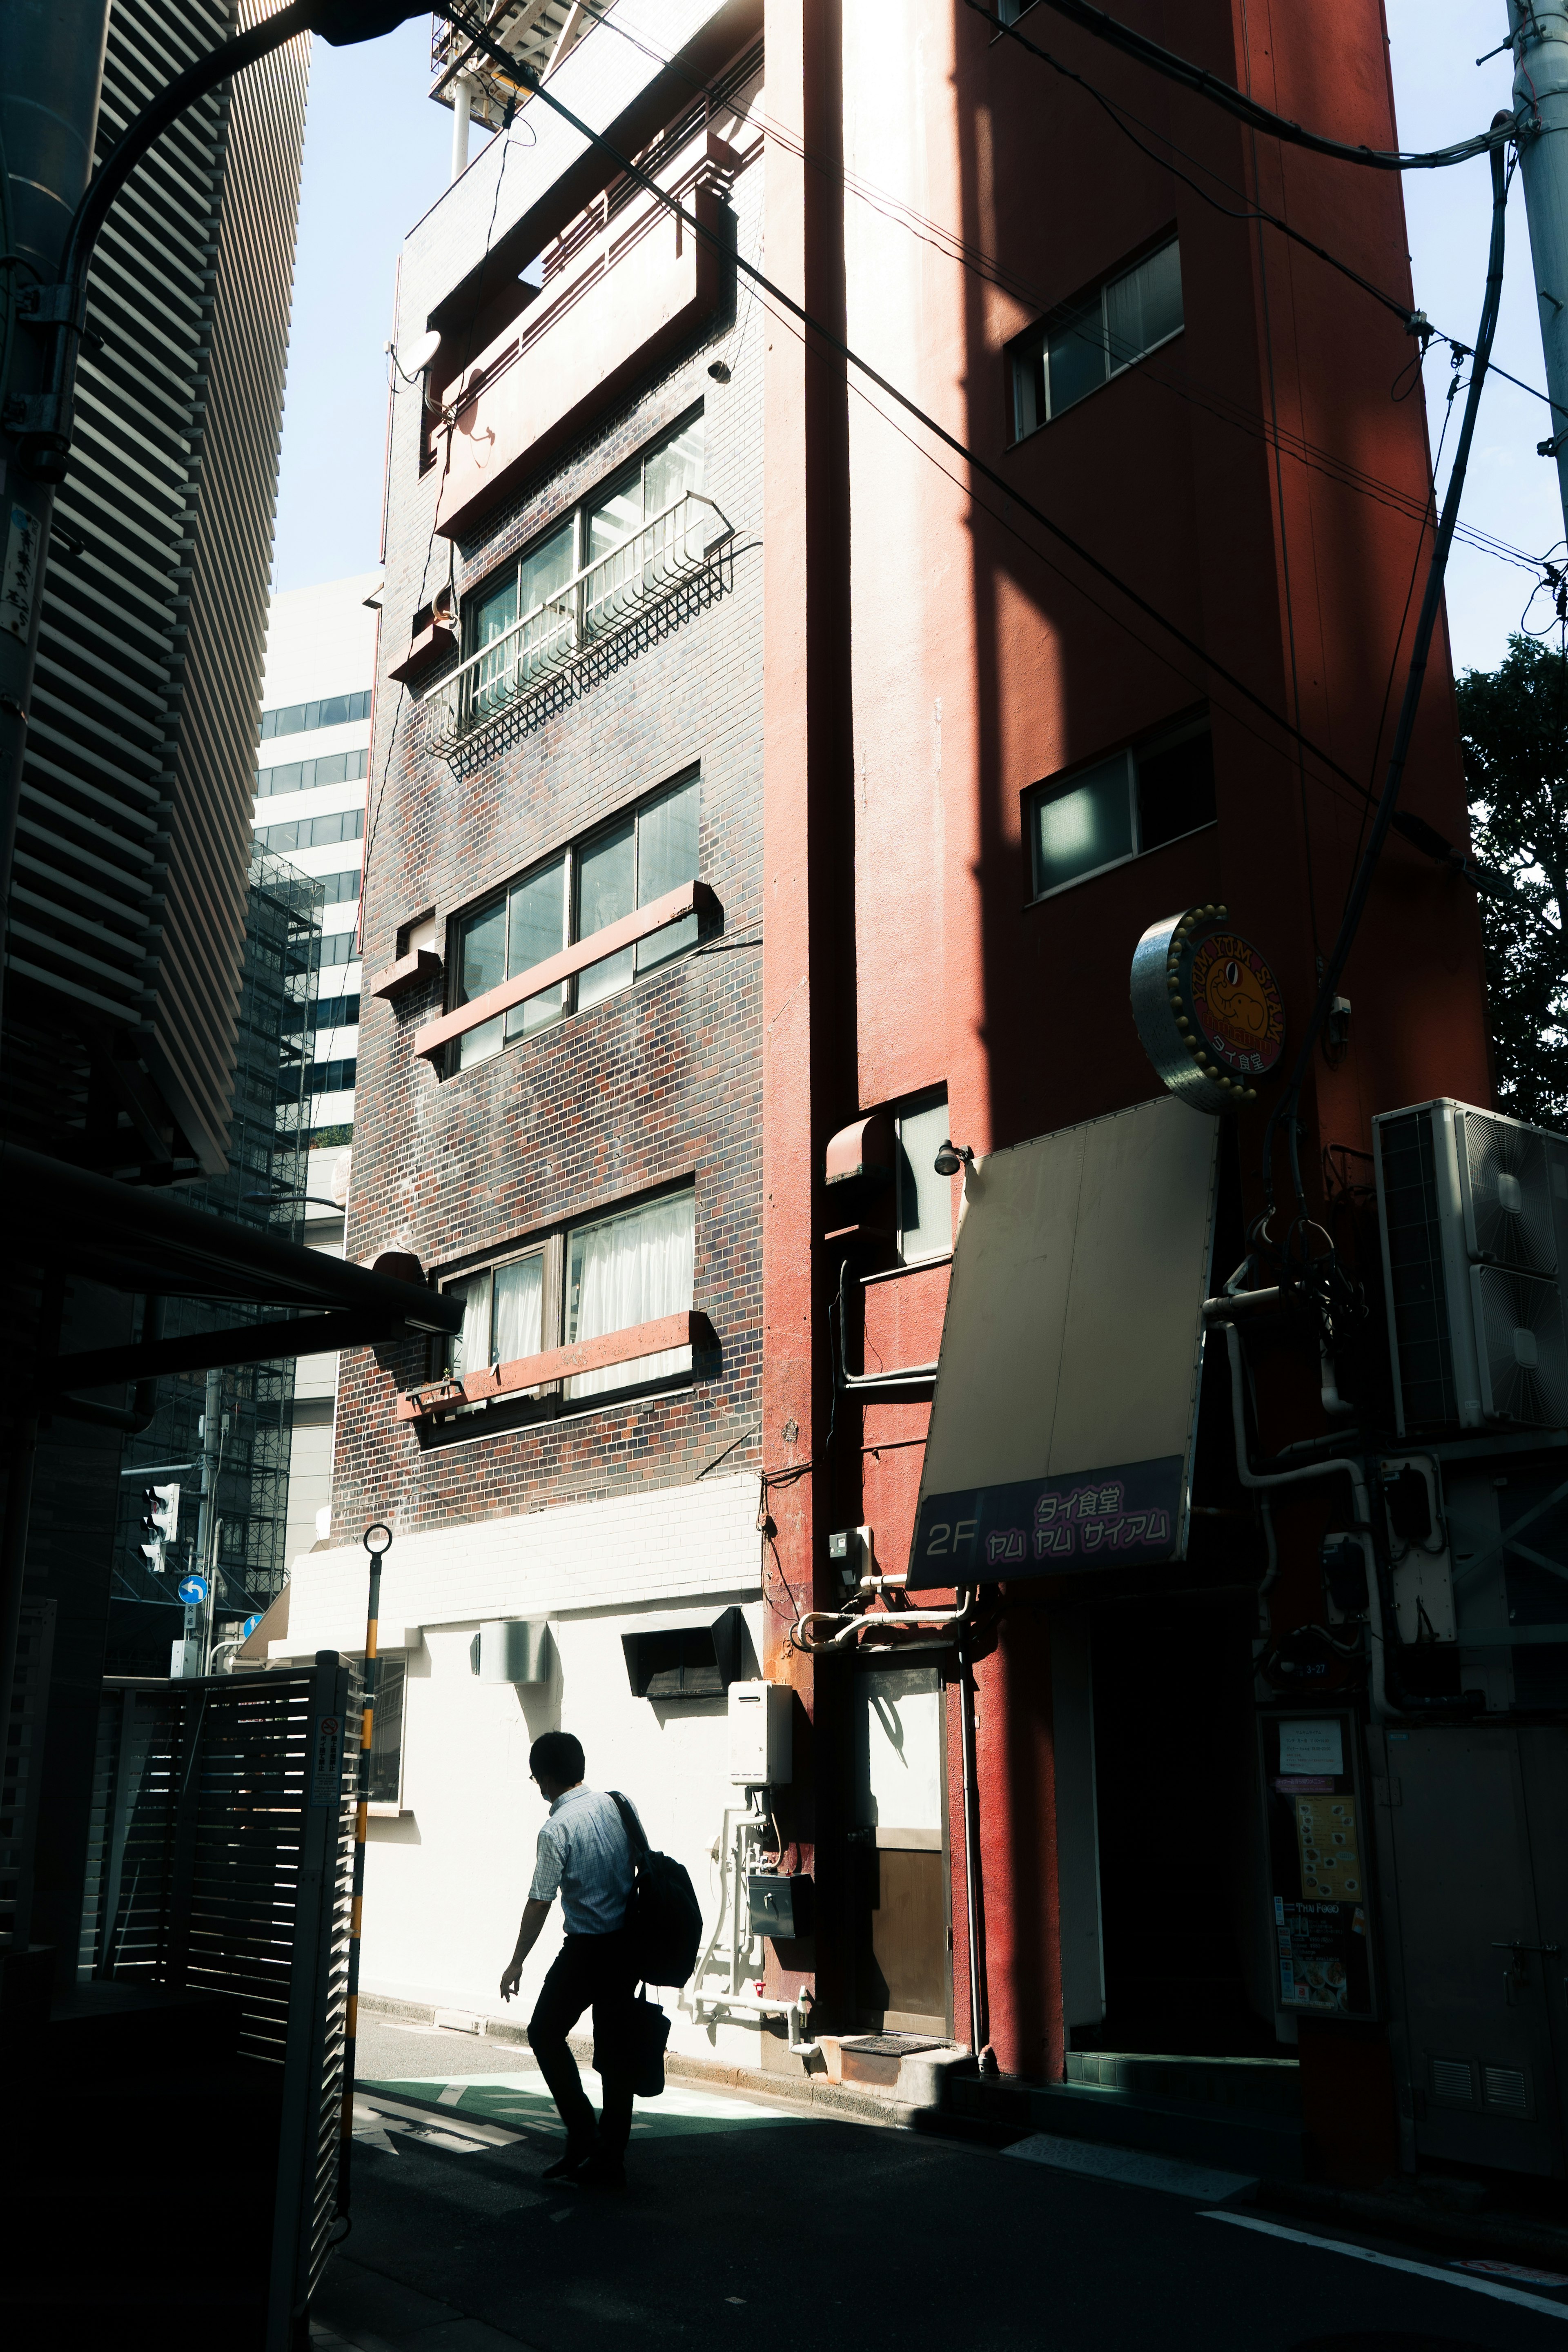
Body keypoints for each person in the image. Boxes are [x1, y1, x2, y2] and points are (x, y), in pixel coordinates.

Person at [500, 1729, 640, 2187]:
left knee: (544, 2032)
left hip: (587, 1949)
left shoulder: (555, 1828)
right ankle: (610, 2157)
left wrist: (517, 1960)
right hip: (627, 1945)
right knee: (616, 2053)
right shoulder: (618, 1804)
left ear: (543, 1778)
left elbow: (540, 1900)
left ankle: (583, 2134)